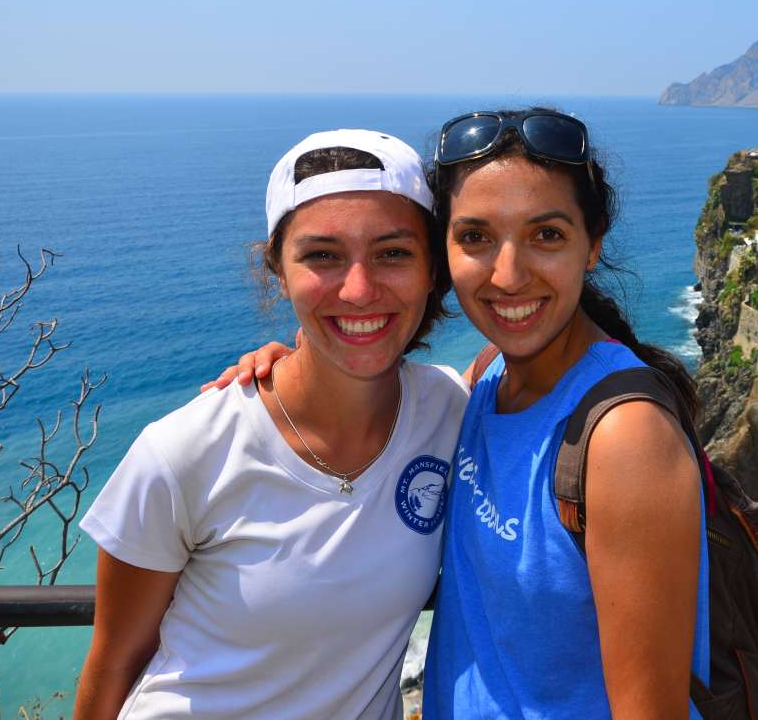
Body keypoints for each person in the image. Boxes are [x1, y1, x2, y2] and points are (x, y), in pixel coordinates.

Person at [216, 109, 711, 719]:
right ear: (443, 251)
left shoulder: (625, 437)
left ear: (594, 244)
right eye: (476, 237)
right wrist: (293, 368)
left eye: (547, 235)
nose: (508, 275)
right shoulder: (488, 379)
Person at [75, 130, 468, 719]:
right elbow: (113, 663)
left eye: (392, 252)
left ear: (433, 269)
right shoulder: (186, 451)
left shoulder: (451, 411)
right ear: (277, 272)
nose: (359, 289)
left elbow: (548, 356)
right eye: (322, 256)